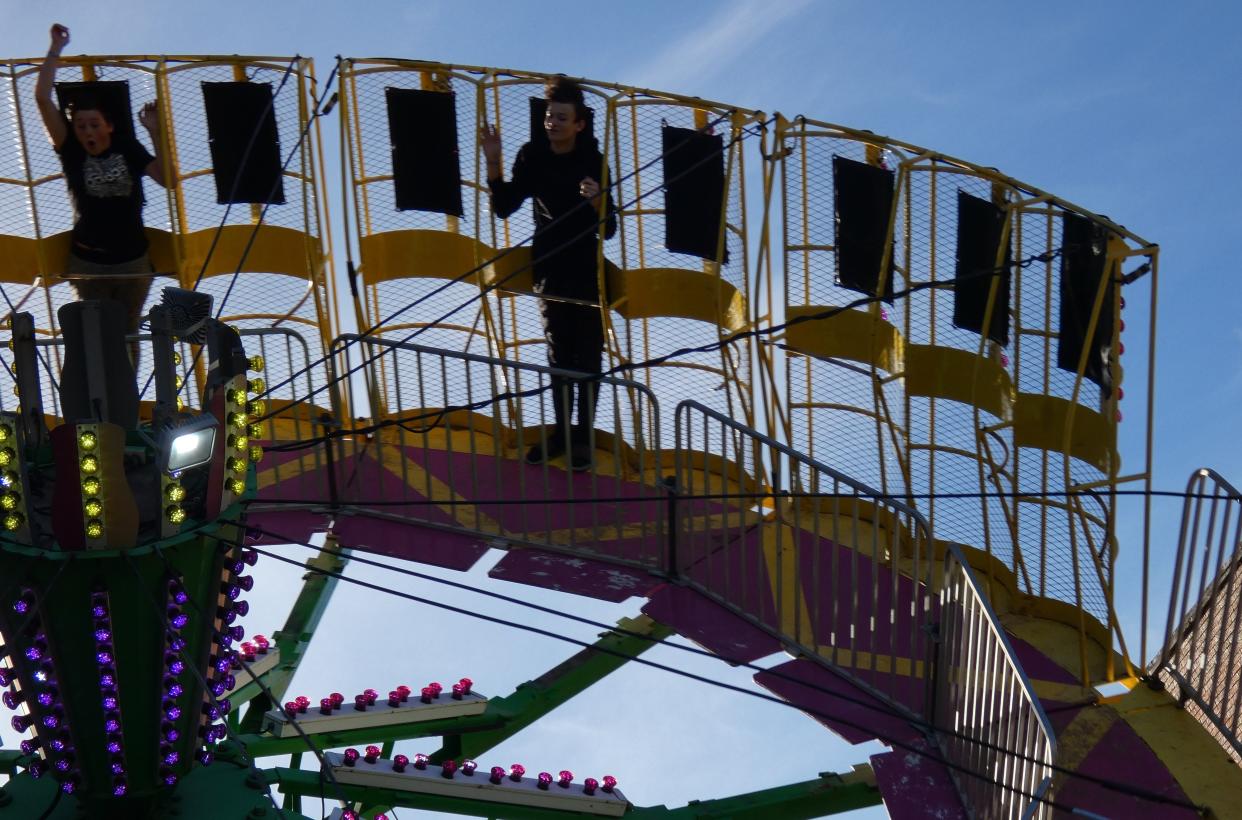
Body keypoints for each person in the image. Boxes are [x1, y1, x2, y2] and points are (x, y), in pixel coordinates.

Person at [481, 76, 617, 471]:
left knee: (588, 354)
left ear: (579, 124)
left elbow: (610, 228)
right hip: (550, 267)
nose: (552, 123)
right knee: (559, 353)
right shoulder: (532, 156)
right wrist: (493, 161)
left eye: (561, 117)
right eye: (549, 116)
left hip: (587, 269)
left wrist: (597, 202)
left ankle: (583, 439)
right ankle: (560, 434)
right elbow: (505, 206)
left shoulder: (594, 162)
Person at [35, 23, 168, 364]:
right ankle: (89, 406)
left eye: (94, 124)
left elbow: (167, 179)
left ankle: (124, 410)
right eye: (80, 126)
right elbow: (42, 98)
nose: (88, 132)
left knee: (127, 337)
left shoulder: (127, 146)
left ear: (108, 125)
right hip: (89, 262)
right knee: (90, 338)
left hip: (132, 261)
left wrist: (155, 133)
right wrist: (55, 48)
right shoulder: (72, 151)